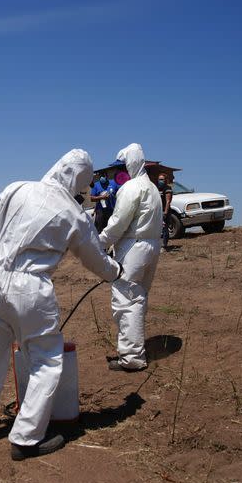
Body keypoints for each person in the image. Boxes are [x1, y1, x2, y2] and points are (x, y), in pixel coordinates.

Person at [0, 149, 122, 461]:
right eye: (83, 188)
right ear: (80, 182)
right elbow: (95, 259)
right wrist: (116, 272)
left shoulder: (16, 188)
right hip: (31, 290)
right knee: (46, 361)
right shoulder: (73, 214)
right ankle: (26, 438)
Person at [99, 143, 162, 372]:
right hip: (152, 247)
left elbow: (118, 223)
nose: (117, 174)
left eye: (120, 168)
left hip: (134, 247)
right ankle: (135, 348)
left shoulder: (132, 187)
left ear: (130, 165)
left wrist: (100, 243)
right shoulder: (151, 187)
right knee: (138, 298)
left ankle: (132, 358)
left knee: (126, 301)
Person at [157, 173, 173, 246]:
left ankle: (165, 244)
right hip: (157, 211)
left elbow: (168, 201)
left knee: (164, 228)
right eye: (159, 179)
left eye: (162, 179)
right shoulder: (157, 188)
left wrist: (165, 213)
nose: (160, 181)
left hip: (164, 211)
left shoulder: (167, 188)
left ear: (165, 180)